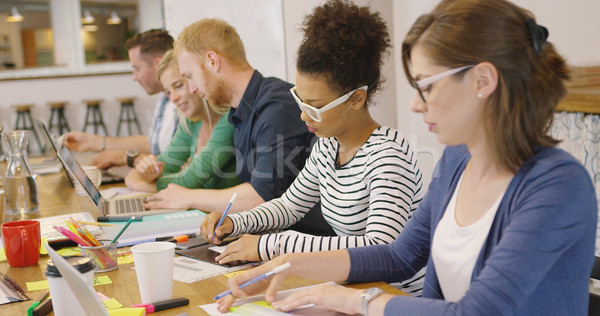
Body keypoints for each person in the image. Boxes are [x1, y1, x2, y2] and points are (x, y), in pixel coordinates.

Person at [216, 0, 598, 315]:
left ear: (483, 81)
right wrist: (290, 267)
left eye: (426, 87)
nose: (415, 105)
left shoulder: (558, 185)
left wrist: (355, 300)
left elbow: (480, 311)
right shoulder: (456, 161)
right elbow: (401, 254)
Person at [201, 0, 425, 296]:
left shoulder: (389, 155)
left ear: (357, 98)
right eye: (300, 101)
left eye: (315, 107)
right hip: (355, 289)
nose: (304, 116)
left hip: (396, 296)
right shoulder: (326, 147)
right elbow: (290, 206)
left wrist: (271, 244)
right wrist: (235, 223)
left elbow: (379, 249)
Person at [144, 18, 334, 236]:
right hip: (275, 237)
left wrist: (186, 197)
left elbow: (261, 197)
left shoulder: (275, 106)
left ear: (213, 61)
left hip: (314, 244)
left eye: (190, 77)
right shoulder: (239, 113)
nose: (193, 89)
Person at [125, 49, 240, 192]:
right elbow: (163, 166)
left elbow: (191, 179)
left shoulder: (229, 119)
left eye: (178, 86)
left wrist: (144, 184)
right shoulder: (192, 123)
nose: (173, 98)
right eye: (168, 92)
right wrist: (146, 173)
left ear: (196, 79)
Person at [63, 29, 179, 170]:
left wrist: (129, 157)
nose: (134, 77)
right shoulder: (164, 103)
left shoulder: (185, 105)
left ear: (158, 64)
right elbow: (152, 145)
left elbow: (179, 165)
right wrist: (93, 141)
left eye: (137, 69)